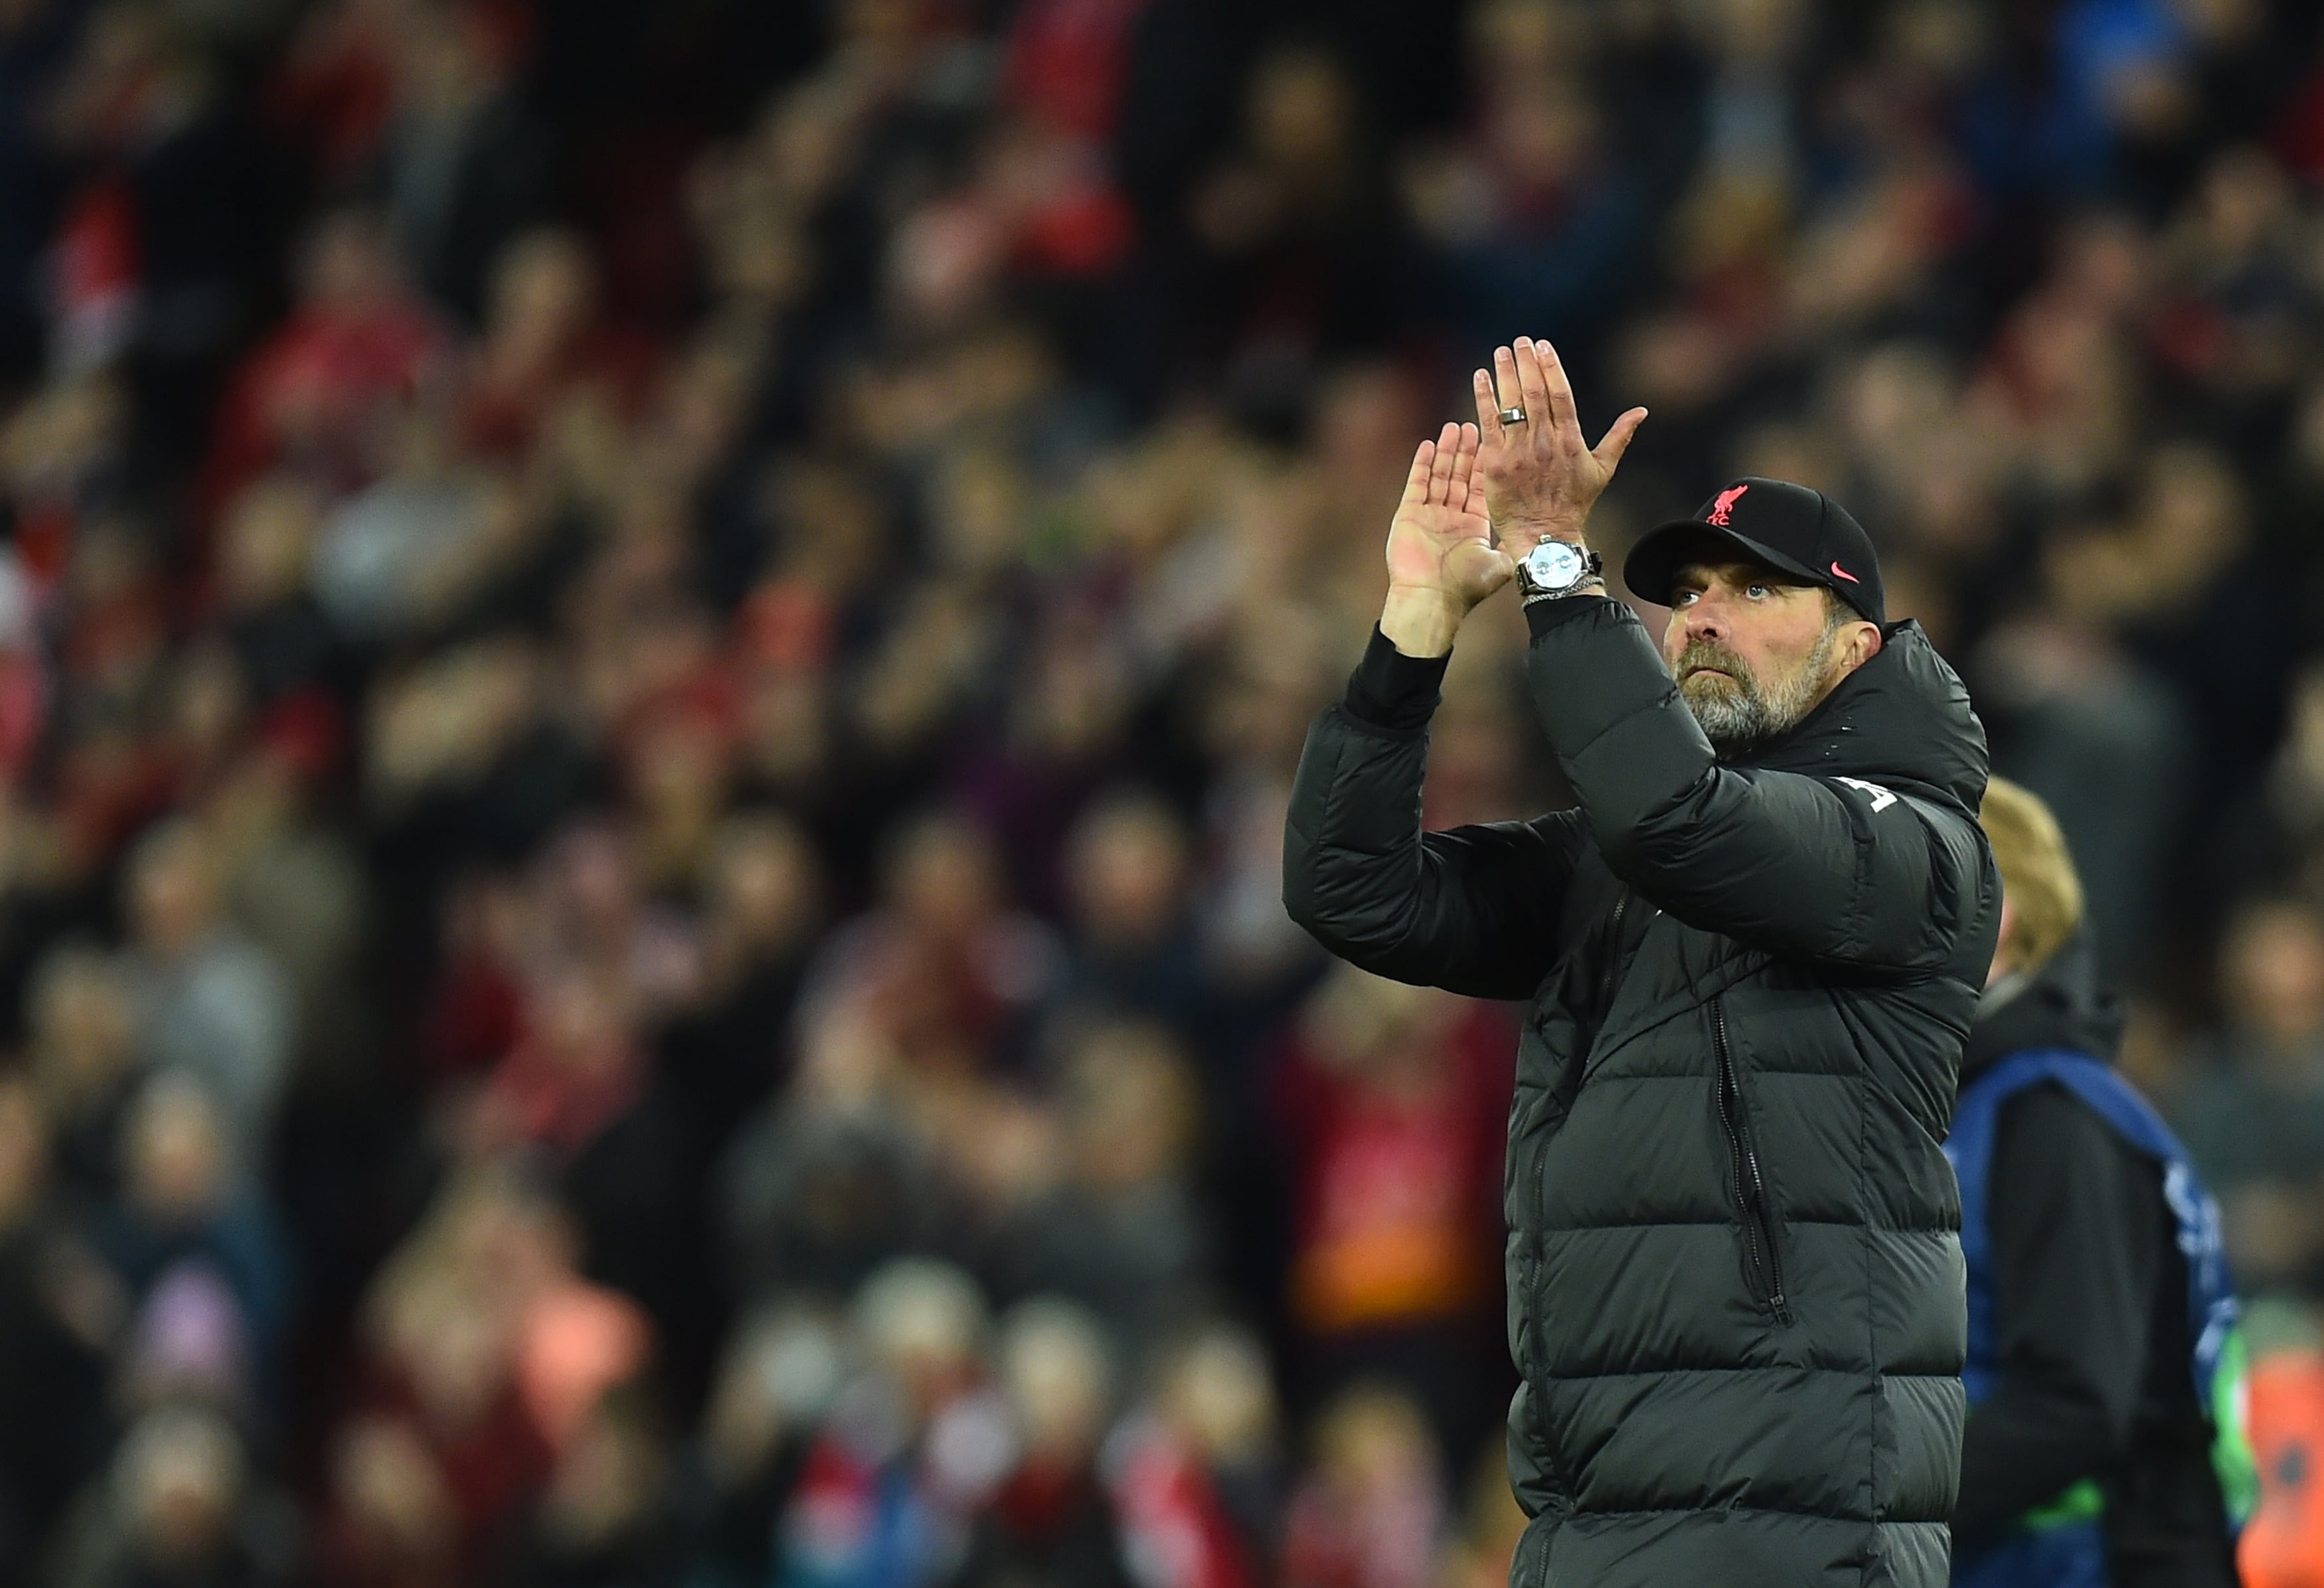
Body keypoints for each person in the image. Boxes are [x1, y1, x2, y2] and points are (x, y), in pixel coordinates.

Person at [1283, 337, 2001, 1585]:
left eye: (1758, 590)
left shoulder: (1914, 844)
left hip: (1798, 1518)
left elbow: (1682, 821)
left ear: (1857, 649)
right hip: (1590, 1507)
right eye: (1690, 591)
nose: (1705, 614)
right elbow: (1357, 893)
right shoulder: (1624, 865)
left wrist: (1561, 564)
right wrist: (1413, 634)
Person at [1948, 777, 2253, 1587]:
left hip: (2091, 1565)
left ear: (1999, 911)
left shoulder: (2050, 1118)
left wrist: (1859, 1504)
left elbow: (2073, 1407)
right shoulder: (2013, 1102)